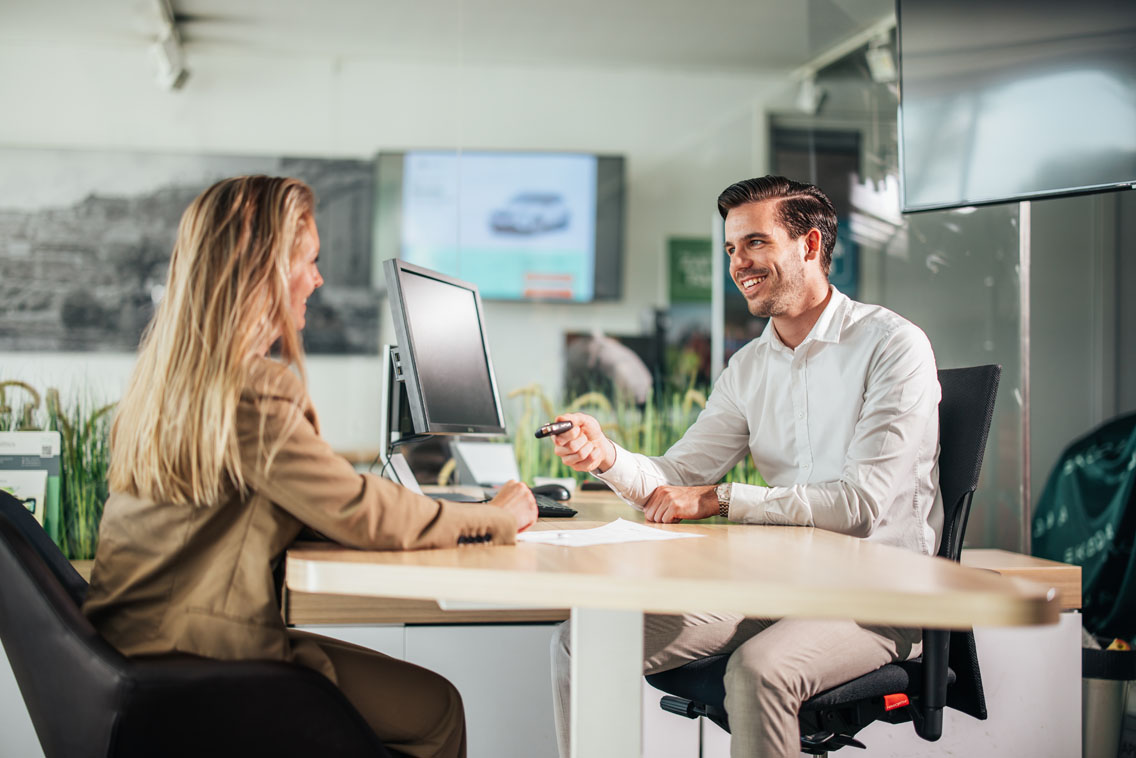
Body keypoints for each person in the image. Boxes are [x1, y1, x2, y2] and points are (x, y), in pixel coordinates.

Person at [82, 175, 538, 758]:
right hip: (203, 661)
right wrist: (497, 517)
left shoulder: (170, 382)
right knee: (437, 710)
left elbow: (302, 501)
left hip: (139, 652)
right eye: (310, 260)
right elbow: (360, 511)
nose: (318, 279)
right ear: (263, 269)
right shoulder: (249, 390)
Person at [549, 175, 941, 758]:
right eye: (732, 248)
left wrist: (721, 499)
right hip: (783, 586)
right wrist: (605, 456)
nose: (739, 263)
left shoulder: (892, 346)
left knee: (760, 670)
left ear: (809, 245)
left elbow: (860, 507)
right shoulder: (750, 366)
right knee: (582, 639)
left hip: (881, 594)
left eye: (755, 243)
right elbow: (678, 476)